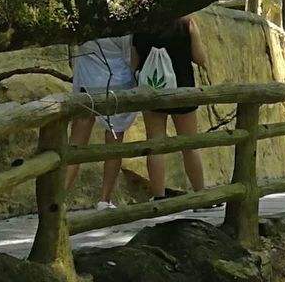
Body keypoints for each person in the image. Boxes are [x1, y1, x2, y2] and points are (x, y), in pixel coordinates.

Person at [63, 35, 139, 209]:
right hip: (117, 84)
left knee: (76, 145)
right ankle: (104, 199)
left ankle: (59, 198)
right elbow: (129, 56)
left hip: (87, 83)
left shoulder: (85, 22)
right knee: (114, 144)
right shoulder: (122, 25)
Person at [134, 17, 206, 200]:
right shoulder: (186, 24)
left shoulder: (141, 23)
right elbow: (200, 58)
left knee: (155, 143)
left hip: (152, 90)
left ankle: (158, 196)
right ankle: (200, 195)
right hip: (182, 89)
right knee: (190, 144)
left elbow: (133, 62)